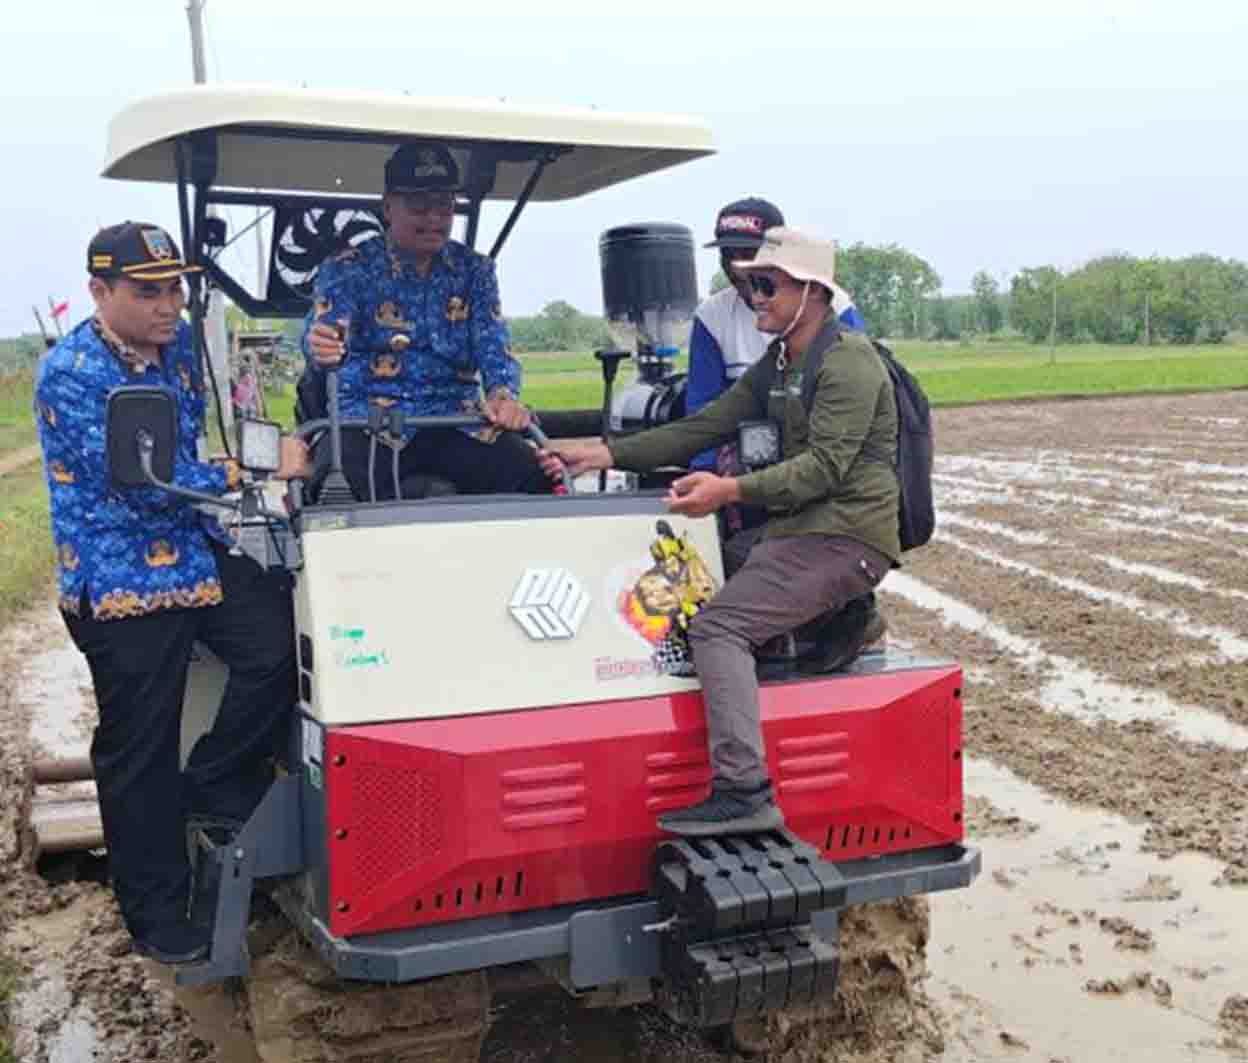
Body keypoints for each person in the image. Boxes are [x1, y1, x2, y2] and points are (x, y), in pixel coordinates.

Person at [544, 227, 898, 836]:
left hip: (846, 536)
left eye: (767, 284)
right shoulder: (782, 358)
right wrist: (604, 454)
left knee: (718, 626)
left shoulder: (849, 363)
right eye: (750, 282)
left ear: (811, 292)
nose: (753, 294)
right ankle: (834, 627)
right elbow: (706, 424)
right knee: (705, 574)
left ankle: (744, 789)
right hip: (802, 527)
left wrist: (728, 491)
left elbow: (823, 470)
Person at [36, 222, 311, 964]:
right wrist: (251, 470)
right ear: (99, 292)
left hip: (193, 554)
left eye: (175, 288)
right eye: (147, 291)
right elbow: (148, 478)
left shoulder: (181, 347)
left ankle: (214, 785)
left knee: (282, 643)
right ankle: (154, 909)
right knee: (138, 752)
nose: (168, 305)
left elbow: (192, 448)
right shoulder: (72, 372)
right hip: (121, 579)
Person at [689, 198, 883, 666]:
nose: (738, 269)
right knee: (741, 540)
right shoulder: (712, 317)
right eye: (727, 256)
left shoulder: (836, 315)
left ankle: (849, 615)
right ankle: (767, 628)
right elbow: (704, 409)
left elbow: (849, 402)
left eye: (748, 256)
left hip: (813, 446)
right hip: (744, 444)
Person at [300, 140, 551, 501]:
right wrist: (322, 344)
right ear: (389, 207)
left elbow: (493, 344)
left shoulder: (475, 271)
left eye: (444, 207)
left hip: (456, 421)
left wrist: (503, 396)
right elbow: (327, 329)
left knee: (533, 475)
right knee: (332, 490)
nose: (433, 219)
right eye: (419, 206)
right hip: (370, 423)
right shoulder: (348, 268)